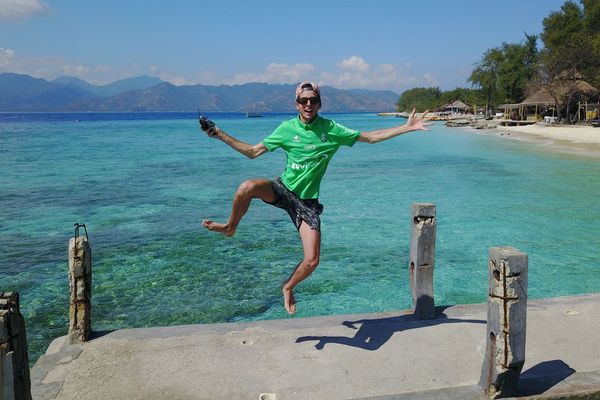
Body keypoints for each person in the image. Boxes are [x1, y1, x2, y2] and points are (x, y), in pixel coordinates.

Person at [201, 82, 432, 315]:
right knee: (247, 187)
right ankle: (230, 227)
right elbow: (252, 152)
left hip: (307, 203)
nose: (308, 104)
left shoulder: (331, 129)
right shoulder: (286, 128)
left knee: (311, 261)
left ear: (320, 103)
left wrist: (406, 128)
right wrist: (219, 134)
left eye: (313, 100)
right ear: (297, 105)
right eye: (303, 101)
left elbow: (370, 137)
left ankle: (288, 286)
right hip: (283, 190)